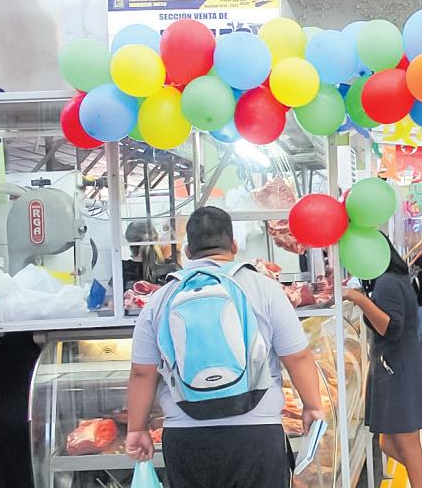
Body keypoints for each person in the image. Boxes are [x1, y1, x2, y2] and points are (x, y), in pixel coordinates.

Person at [125, 207, 324, 488]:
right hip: (256, 432)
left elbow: (142, 373)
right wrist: (312, 406)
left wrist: (136, 428)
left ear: (188, 251)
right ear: (234, 246)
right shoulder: (264, 288)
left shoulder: (161, 298)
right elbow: (298, 357)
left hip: (186, 436)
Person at [345, 233, 422, 488]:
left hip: (399, 370)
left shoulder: (388, 282)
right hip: (397, 367)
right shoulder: (393, 279)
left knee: (408, 447)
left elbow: (391, 327)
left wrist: (360, 300)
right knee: (388, 443)